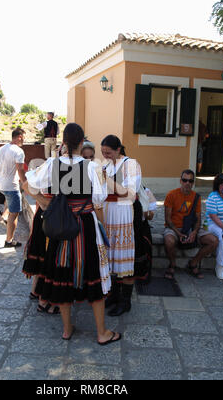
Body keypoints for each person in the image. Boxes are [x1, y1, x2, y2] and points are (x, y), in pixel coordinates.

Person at [22, 123, 121, 345]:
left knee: (62, 274)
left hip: (62, 226)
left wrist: (45, 203)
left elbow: (28, 185)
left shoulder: (52, 164)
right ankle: (102, 332)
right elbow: (98, 200)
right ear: (82, 141)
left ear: (64, 142)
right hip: (85, 226)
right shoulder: (93, 167)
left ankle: (67, 329)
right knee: (93, 273)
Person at [101, 135, 142, 316]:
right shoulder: (107, 165)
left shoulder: (131, 164)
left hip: (123, 213)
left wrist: (106, 180)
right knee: (111, 257)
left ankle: (125, 301)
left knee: (123, 257)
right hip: (108, 212)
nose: (105, 155)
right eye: (102, 153)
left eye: (108, 152)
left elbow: (129, 193)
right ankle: (114, 295)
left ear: (118, 150)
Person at [164, 169, 218, 280]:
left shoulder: (196, 197)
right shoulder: (171, 195)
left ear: (193, 183)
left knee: (213, 241)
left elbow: (198, 218)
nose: (187, 183)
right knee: (169, 241)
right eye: (185, 180)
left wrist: (194, 232)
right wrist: (179, 233)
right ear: (180, 181)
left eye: (190, 181)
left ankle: (193, 263)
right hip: (174, 228)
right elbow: (168, 219)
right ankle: (172, 264)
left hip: (190, 227)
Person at [0, 127, 27, 248]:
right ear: (19, 137)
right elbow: (20, 170)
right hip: (11, 186)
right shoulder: (18, 151)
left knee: (9, 202)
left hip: (0, 184)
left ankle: (3, 216)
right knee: (14, 213)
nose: (24, 140)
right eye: (23, 137)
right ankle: (9, 241)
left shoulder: (2, 148)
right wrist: (26, 185)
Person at [206, 173, 223, 280]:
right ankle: (220, 265)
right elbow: (213, 216)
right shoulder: (213, 197)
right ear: (218, 186)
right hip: (215, 224)